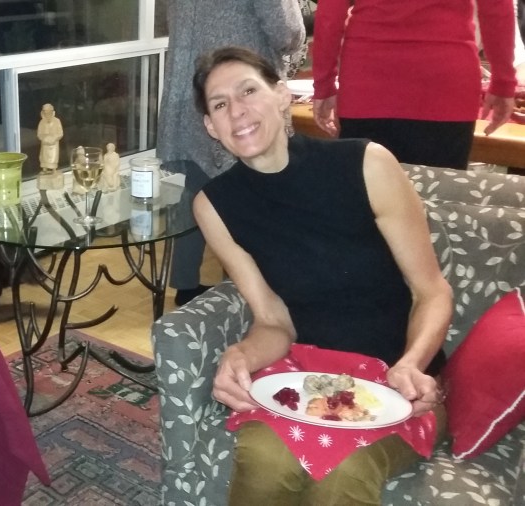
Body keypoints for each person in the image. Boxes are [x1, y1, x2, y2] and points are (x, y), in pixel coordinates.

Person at [191, 46, 453, 504]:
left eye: (248, 91)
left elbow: (431, 291)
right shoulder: (215, 206)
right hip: (305, 379)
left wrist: (412, 365)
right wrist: (240, 355)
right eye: (220, 104)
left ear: (281, 95)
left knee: (343, 474)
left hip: (397, 385)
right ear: (211, 126)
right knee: (263, 460)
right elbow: (274, 320)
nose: (237, 111)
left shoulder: (366, 164)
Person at [156, 0, 307, 306]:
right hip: (239, 95)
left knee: (194, 192)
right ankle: (243, 292)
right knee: (246, 196)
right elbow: (287, 32)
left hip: (189, 91)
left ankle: (186, 284)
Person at [312, 0, 517, 170]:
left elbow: (330, 15)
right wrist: (503, 83)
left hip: (368, 82)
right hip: (446, 82)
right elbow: (496, 9)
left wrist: (324, 84)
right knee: (438, 195)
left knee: (365, 197)